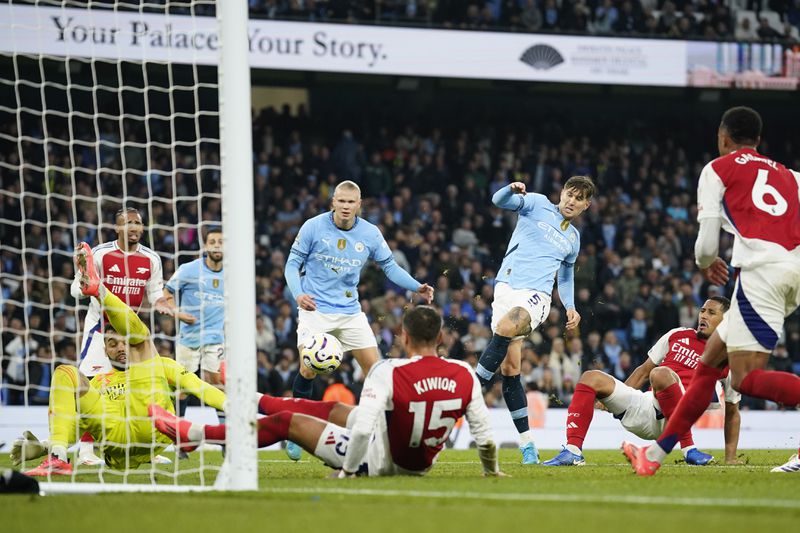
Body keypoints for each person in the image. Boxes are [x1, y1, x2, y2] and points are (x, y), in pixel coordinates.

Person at [622, 106, 800, 476]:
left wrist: (706, 262)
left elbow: (706, 245)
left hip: (760, 272)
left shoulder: (718, 169)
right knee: (709, 365)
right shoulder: (791, 176)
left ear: (723, 138)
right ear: (759, 142)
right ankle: (652, 458)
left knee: (746, 378)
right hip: (791, 271)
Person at [150, 305, 502, 477]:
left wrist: (349, 472)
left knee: (288, 421)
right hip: (417, 460)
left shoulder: (388, 371)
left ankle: (194, 432)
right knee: (331, 412)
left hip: (381, 462)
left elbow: (363, 430)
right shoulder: (464, 372)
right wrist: (491, 471)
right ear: (441, 337)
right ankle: (249, 397)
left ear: (403, 337)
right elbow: (484, 437)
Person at [13, 243, 225, 476]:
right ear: (104, 350)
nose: (120, 348)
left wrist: (232, 408)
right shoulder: (98, 382)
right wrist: (44, 446)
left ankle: (99, 289)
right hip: (116, 445)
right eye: (112, 344)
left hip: (151, 435)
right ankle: (58, 458)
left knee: (142, 342)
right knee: (66, 373)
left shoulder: (160, 365)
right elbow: (80, 427)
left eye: (124, 342)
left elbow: (200, 387)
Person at [283, 181, 434, 459]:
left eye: (350, 202)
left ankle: (391, 434)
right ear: (333, 202)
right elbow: (292, 264)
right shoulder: (313, 227)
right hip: (315, 309)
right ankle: (295, 429)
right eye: (340, 201)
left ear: (359, 205)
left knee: (376, 373)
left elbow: (389, 266)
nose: (345, 207)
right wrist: (298, 293)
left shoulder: (370, 233)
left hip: (350, 312)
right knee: (308, 369)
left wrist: (416, 286)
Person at [475, 176, 595, 464]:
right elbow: (498, 201)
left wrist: (570, 305)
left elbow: (565, 275)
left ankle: (467, 390)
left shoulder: (573, 239)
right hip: (505, 288)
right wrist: (510, 189)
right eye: (569, 194)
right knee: (511, 368)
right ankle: (528, 444)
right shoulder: (538, 203)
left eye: (579, 199)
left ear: (586, 206)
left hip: (536, 297)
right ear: (562, 192)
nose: (571, 201)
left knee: (505, 327)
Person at [543, 297, 740, 466]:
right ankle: (573, 451)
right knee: (590, 377)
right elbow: (644, 371)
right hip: (646, 406)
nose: (703, 315)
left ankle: (689, 449)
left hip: (678, 416)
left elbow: (732, 411)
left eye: (711, 312)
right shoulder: (678, 334)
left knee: (661, 373)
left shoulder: (729, 358)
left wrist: (730, 457)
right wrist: (614, 397)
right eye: (703, 310)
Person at [69, 207, 172, 466]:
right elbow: (75, 289)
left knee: (143, 387)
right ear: (117, 228)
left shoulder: (152, 259)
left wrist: (163, 304)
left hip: (131, 331)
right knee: (90, 386)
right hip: (99, 328)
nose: (134, 227)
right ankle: (85, 451)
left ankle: (146, 447)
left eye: (138, 223)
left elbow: (155, 293)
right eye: (128, 223)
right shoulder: (102, 254)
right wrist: (83, 285)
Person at [163, 227, 226, 417]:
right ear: (205, 246)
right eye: (212, 242)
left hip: (215, 338)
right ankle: (179, 439)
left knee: (216, 383)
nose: (216, 246)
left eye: (221, 242)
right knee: (183, 388)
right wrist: (179, 314)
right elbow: (166, 294)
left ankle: (225, 440)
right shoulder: (189, 270)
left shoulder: (233, 274)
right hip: (189, 338)